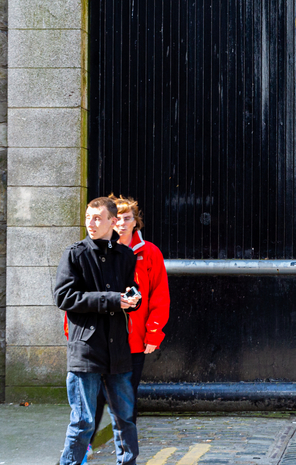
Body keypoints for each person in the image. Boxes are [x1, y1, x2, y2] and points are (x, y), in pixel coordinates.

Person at [54, 197, 141, 465]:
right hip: (86, 349)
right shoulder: (75, 254)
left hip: (118, 349)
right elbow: (64, 298)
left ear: (113, 222)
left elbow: (129, 289)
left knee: (125, 418)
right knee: (83, 421)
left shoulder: (126, 255)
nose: (90, 223)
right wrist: (112, 299)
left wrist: (132, 298)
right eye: (88, 217)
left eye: (97, 218)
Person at [88, 195, 170, 455]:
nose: (122, 224)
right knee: (95, 396)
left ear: (136, 222)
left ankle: (126, 451)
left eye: (128, 218)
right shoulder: (94, 251)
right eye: (118, 219)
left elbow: (159, 295)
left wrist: (154, 332)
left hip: (133, 340)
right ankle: (86, 443)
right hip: (100, 338)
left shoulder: (150, 253)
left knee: (126, 398)